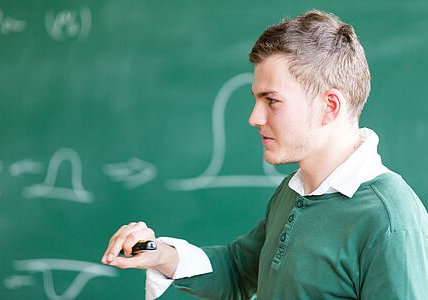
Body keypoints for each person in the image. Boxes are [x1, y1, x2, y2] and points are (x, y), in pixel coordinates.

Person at [101, 10, 428, 299]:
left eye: (271, 100)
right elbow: (238, 271)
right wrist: (160, 254)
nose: (254, 117)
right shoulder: (293, 192)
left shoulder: (390, 221)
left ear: (329, 107)